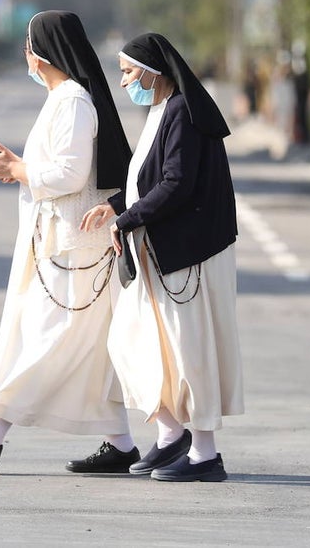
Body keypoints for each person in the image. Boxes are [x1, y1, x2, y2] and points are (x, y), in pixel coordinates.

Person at [0, 10, 138, 473]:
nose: (25, 55)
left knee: (50, 340)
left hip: (74, 247)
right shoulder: (63, 99)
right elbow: (62, 167)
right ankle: (122, 444)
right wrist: (17, 166)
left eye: (28, 45)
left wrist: (20, 170)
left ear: (43, 51)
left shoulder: (71, 102)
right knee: (81, 348)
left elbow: (68, 174)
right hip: (65, 242)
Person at [81, 33, 243, 483]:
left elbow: (177, 185)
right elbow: (149, 178)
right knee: (138, 346)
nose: (124, 80)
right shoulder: (161, 111)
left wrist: (125, 220)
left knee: (189, 353)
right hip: (159, 251)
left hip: (185, 255)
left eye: (129, 71)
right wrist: (117, 206)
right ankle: (172, 436)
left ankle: (206, 454)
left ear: (154, 72)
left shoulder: (183, 115)